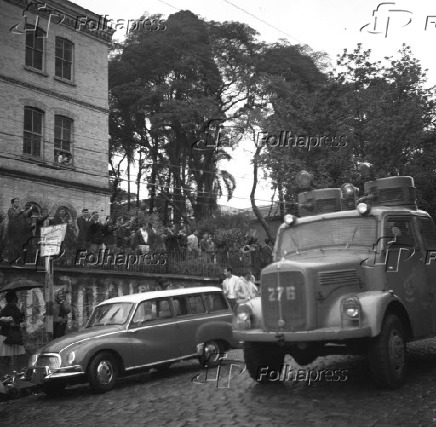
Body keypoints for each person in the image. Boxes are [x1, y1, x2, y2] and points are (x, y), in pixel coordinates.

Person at [0, 291, 26, 371]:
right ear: (13, 299)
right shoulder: (13, 309)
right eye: (16, 297)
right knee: (14, 358)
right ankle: (12, 374)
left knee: (6, 358)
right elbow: (16, 320)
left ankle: (6, 373)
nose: (17, 298)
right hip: (12, 336)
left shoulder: (5, 309)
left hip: (5, 335)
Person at [7, 198, 33, 262]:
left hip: (19, 231)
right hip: (12, 230)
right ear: (12, 203)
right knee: (12, 244)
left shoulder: (20, 211)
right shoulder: (10, 210)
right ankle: (11, 259)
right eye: (15, 202)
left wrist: (30, 210)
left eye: (18, 202)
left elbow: (25, 214)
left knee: (19, 245)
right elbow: (13, 215)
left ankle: (18, 259)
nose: (17, 203)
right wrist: (20, 212)